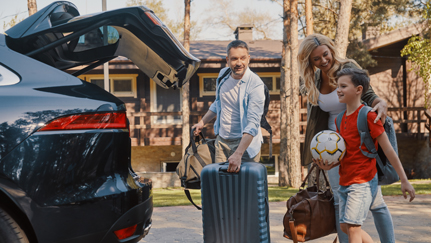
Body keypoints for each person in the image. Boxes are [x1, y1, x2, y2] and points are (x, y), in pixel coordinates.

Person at [297, 33, 394, 243]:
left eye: (325, 54)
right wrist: (316, 152)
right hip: (331, 147)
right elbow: (315, 122)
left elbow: (368, 94)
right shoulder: (313, 79)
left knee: (376, 201)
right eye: (316, 59)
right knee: (339, 202)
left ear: (330, 49)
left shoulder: (348, 67)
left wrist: (380, 102)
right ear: (309, 61)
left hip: (357, 141)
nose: (323, 61)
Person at [314, 68, 415, 243]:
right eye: (337, 86)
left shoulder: (368, 115)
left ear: (359, 90)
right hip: (345, 181)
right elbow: (345, 153)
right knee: (346, 226)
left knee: (353, 228)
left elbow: (389, 149)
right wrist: (329, 165)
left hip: (362, 181)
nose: (338, 90)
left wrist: (404, 179)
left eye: (343, 86)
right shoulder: (339, 119)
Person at [191, 40, 265, 173]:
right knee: (222, 188)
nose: (239, 63)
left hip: (244, 146)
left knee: (244, 190)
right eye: (234, 59)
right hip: (222, 142)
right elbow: (219, 102)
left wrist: (238, 153)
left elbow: (253, 124)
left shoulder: (256, 85)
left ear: (248, 58)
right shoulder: (223, 75)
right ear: (227, 60)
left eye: (242, 58)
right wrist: (202, 122)